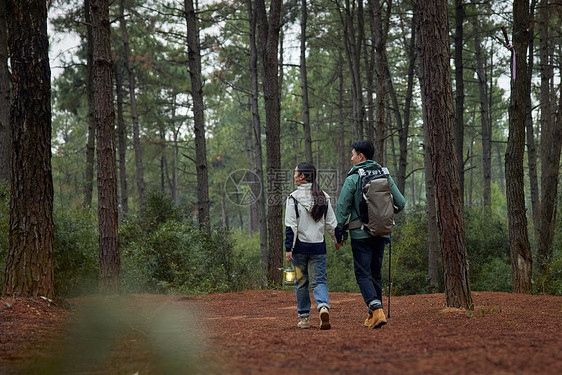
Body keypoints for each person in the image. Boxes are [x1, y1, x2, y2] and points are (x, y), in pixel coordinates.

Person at [335, 140, 406, 328]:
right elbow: (401, 202)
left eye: (353, 155)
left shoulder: (354, 177)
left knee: (362, 273)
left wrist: (339, 229)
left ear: (361, 156)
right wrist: (385, 215)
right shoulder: (385, 175)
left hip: (360, 235)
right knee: (376, 273)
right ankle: (375, 314)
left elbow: (343, 206)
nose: (351, 158)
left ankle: (376, 309)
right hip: (381, 233)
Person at [285, 162, 340, 330]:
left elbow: (290, 226)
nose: (294, 176)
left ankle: (304, 319)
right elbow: (332, 223)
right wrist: (336, 240)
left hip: (300, 248)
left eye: (295, 173)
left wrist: (288, 249)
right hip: (318, 247)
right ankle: (323, 306)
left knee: (301, 282)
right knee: (319, 281)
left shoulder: (293, 198)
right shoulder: (323, 196)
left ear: (302, 176)